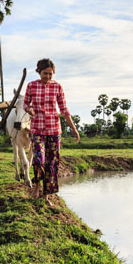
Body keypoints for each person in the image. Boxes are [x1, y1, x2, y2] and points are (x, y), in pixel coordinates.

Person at [23, 58, 81, 205]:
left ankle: (46, 195)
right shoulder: (31, 86)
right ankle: (36, 187)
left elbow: (64, 109)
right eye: (45, 73)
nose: (48, 77)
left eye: (50, 74)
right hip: (37, 129)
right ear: (39, 72)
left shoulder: (57, 87)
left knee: (52, 163)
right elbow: (26, 104)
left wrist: (73, 128)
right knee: (38, 159)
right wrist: (29, 109)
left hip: (54, 130)